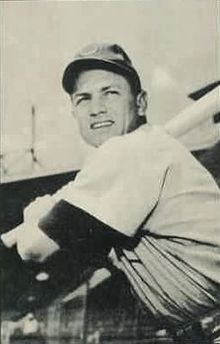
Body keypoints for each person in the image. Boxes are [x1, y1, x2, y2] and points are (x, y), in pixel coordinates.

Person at [2, 43, 220, 335]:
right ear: (74, 113)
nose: (96, 108)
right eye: (84, 99)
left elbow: (33, 249)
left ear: (141, 103)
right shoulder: (139, 150)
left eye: (110, 93)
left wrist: (34, 214)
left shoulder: (129, 151)